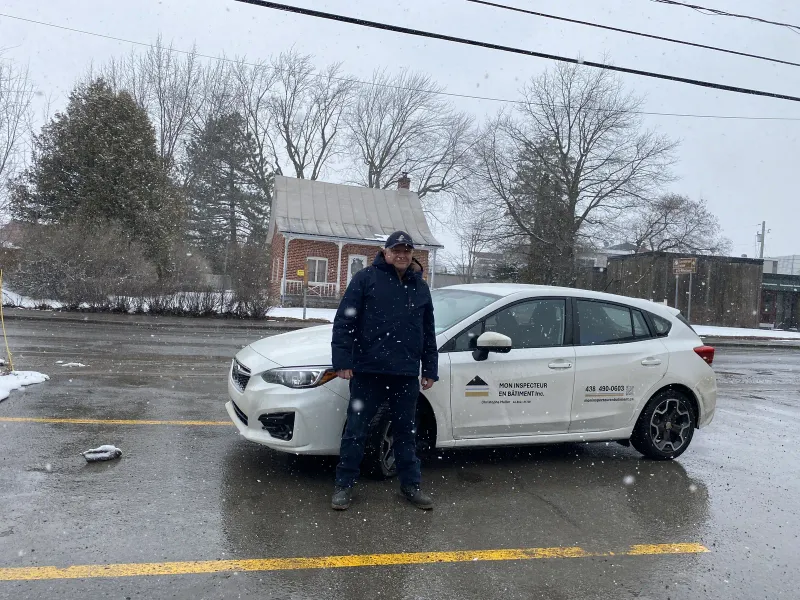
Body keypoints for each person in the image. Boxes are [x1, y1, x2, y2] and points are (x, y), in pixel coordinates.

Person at [330, 230, 438, 511]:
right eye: (396, 250)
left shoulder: (420, 287)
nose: (401, 255)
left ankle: (410, 485)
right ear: (385, 252)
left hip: (405, 374)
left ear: (412, 254)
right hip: (368, 371)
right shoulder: (366, 279)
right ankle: (344, 485)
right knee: (356, 430)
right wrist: (342, 361)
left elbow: (427, 331)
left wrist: (430, 367)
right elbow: (344, 322)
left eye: (406, 250)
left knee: (406, 432)